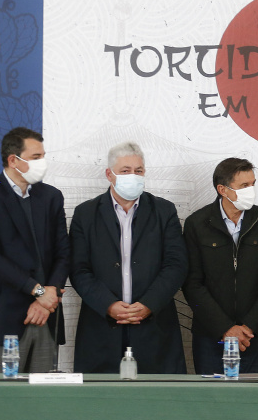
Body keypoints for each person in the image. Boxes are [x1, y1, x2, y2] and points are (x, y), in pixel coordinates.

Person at [70, 141, 188, 373]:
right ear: (109, 174)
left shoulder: (164, 211)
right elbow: (78, 269)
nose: (133, 176)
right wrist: (108, 305)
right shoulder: (85, 213)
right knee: (102, 405)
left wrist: (148, 304)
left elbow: (176, 265)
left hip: (154, 329)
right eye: (125, 171)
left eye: (138, 171)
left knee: (157, 404)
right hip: (101, 328)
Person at [0, 127, 69, 373]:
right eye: (36, 157)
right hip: (3, 318)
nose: (42, 163)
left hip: (46, 316)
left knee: (44, 403)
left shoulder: (51, 197)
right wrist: (37, 290)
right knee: (3, 401)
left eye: (43, 156)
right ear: (13, 160)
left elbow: (63, 252)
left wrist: (48, 296)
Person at [182, 158, 258, 374]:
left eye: (253, 184)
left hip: (252, 336)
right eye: (244, 186)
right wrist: (225, 329)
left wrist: (247, 327)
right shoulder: (197, 224)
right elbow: (192, 284)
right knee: (212, 402)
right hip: (211, 335)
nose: (251, 191)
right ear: (223, 190)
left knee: (251, 403)